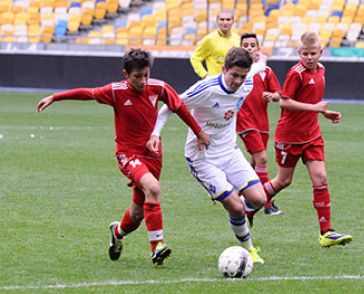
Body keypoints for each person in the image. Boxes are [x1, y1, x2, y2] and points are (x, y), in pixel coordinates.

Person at [37, 48, 209, 266]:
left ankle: (117, 233)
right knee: (154, 189)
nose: (143, 81)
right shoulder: (116, 91)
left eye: (146, 74)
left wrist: (199, 132)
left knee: (137, 215)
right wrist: (55, 97)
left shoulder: (160, 87)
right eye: (138, 76)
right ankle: (157, 246)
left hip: (153, 155)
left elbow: (180, 108)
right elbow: (87, 93)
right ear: (126, 74)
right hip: (128, 154)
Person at [148, 47, 267, 264]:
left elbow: (260, 67)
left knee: (259, 199)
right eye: (234, 75)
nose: (238, 81)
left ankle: (237, 213)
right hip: (202, 157)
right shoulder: (206, 89)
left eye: (242, 76)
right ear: (224, 69)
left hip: (230, 152)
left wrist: (262, 59)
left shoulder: (248, 81)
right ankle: (249, 249)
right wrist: (155, 134)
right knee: (236, 206)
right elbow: (169, 107)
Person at [261, 32, 352, 248]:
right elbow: (284, 102)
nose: (309, 57)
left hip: (311, 135)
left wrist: (323, 113)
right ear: (299, 53)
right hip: (290, 136)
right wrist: (315, 108)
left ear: (320, 53)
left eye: (313, 53)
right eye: (305, 53)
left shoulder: (321, 70)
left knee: (320, 178)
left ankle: (326, 232)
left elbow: (311, 100)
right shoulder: (296, 73)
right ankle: (250, 203)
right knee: (283, 181)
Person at [237, 32, 283, 216]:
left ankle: (239, 193)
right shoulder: (238, 70)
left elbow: (279, 93)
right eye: (245, 45)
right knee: (262, 159)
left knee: (255, 162)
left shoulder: (266, 71)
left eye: (252, 45)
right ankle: (267, 203)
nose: (249, 48)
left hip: (262, 122)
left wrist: (273, 96)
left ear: (258, 48)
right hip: (244, 120)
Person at [190, 9, 240, 79]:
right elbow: (195, 58)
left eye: (228, 20)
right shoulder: (209, 39)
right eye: (222, 19)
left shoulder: (238, 39)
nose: (225, 22)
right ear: (217, 21)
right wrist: (205, 75)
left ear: (233, 21)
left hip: (233, 83)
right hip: (216, 83)